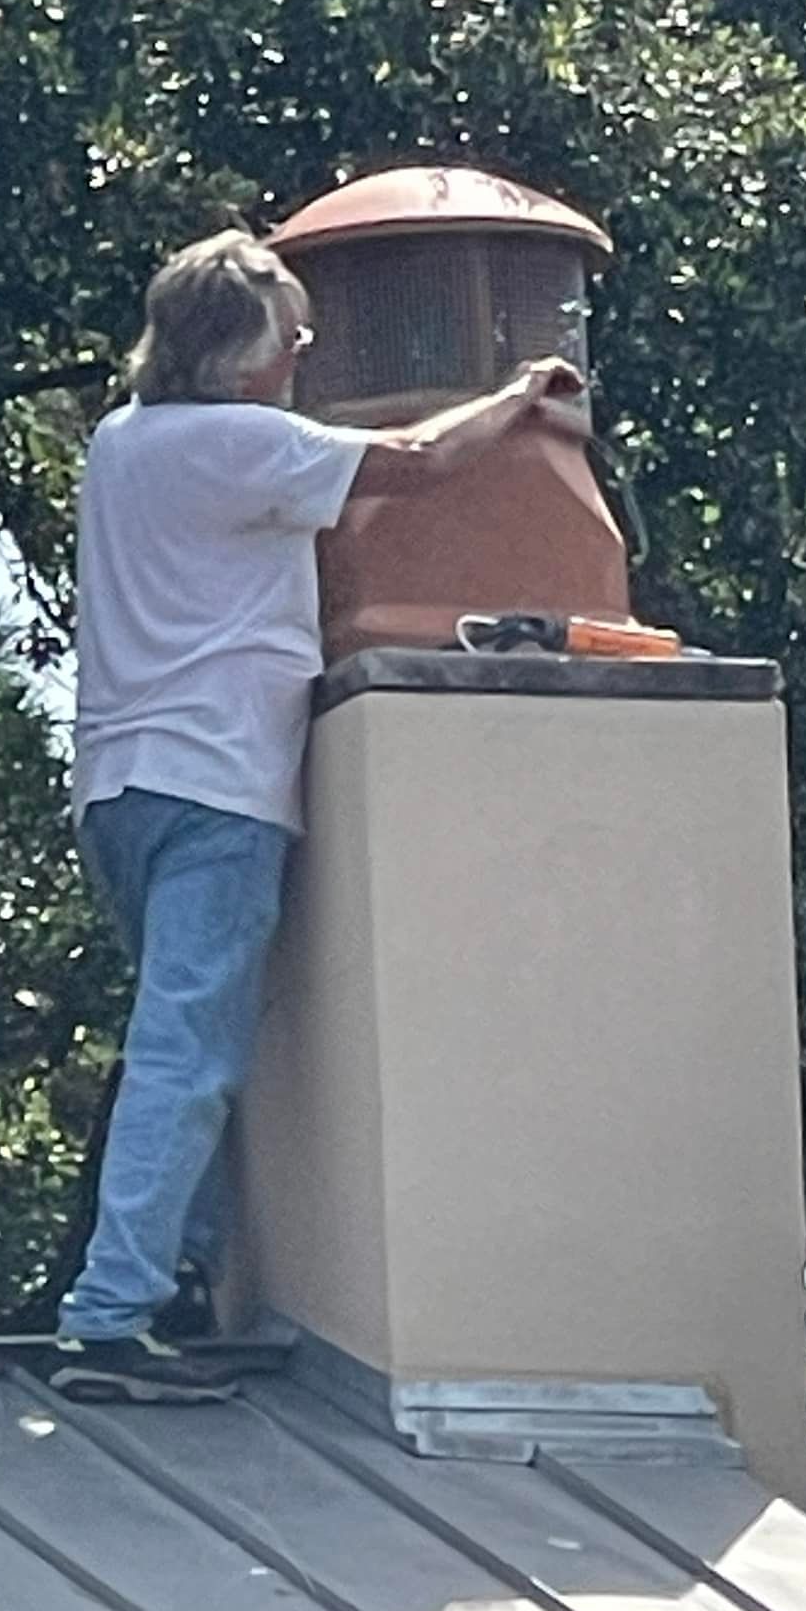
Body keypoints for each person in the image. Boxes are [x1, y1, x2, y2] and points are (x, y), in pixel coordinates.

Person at [48, 225, 582, 1403]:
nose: (304, 345)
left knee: (185, 1040)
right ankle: (111, 1314)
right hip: (217, 779)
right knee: (187, 1051)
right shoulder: (239, 443)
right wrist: (522, 395)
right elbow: (412, 462)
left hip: (122, 785)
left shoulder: (121, 443)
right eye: (289, 329)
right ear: (243, 354)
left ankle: (176, 1277)